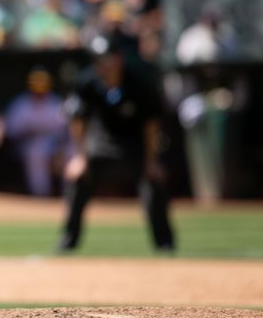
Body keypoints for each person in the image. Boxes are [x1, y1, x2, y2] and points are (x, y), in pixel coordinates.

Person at [58, 34, 175, 253]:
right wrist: (79, 157)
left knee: (153, 181)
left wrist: (152, 161)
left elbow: (151, 125)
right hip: (100, 142)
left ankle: (164, 243)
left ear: (118, 58)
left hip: (134, 143)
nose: (102, 64)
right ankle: (68, 240)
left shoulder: (138, 82)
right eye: (98, 59)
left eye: (106, 58)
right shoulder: (88, 81)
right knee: (78, 179)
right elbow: (78, 121)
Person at [3, 67, 68, 197]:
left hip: (54, 145)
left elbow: (64, 131)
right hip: (26, 145)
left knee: (70, 152)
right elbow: (9, 131)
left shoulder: (55, 103)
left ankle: (69, 195)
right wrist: (30, 130)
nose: (39, 91)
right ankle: (40, 197)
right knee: (36, 151)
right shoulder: (21, 104)